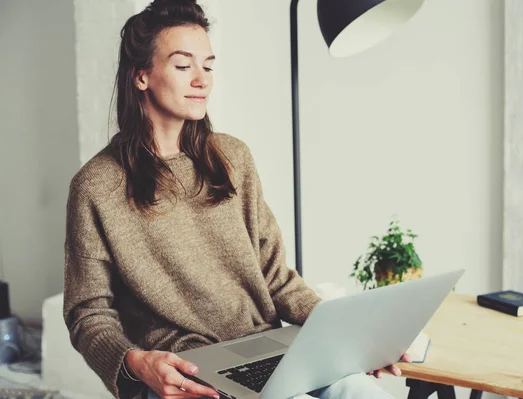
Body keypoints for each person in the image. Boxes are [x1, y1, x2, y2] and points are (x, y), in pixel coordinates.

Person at [62, 1, 410, 398]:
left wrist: (348, 338)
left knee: (362, 391)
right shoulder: (97, 185)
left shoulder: (233, 158)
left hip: (269, 350)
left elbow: (276, 278)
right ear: (141, 76)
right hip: (187, 370)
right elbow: (88, 312)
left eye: (208, 66)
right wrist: (136, 362)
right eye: (183, 66)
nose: (201, 80)